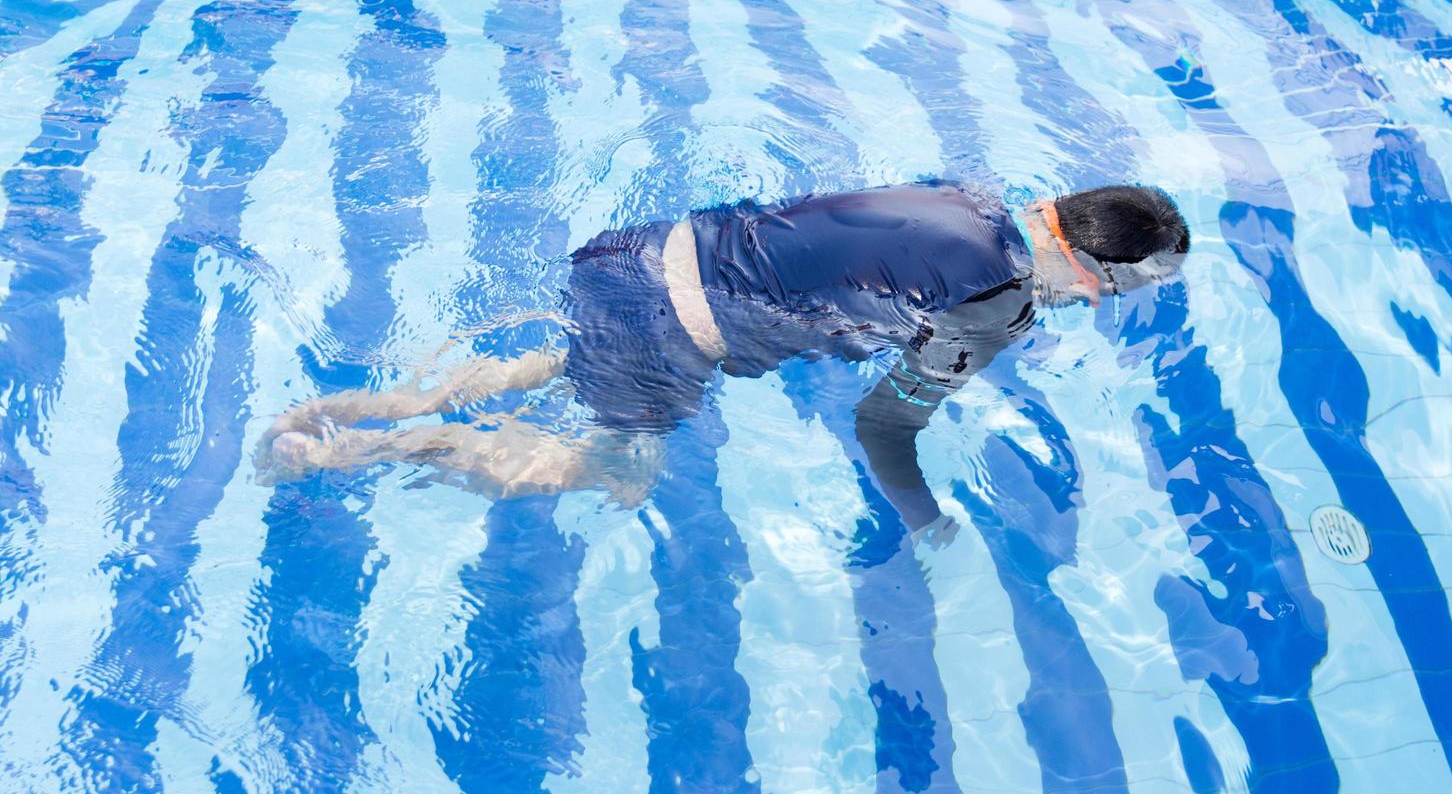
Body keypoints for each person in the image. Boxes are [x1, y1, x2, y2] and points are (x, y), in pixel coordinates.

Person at [255, 181, 1189, 533]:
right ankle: (349, 453)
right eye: (1121, 287)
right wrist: (925, 519)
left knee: (561, 365)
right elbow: (883, 424)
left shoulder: (968, 197)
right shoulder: (1001, 301)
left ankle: (342, 407)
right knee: (611, 474)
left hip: (632, 258)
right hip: (671, 339)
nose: (1107, 303)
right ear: (1078, 257)